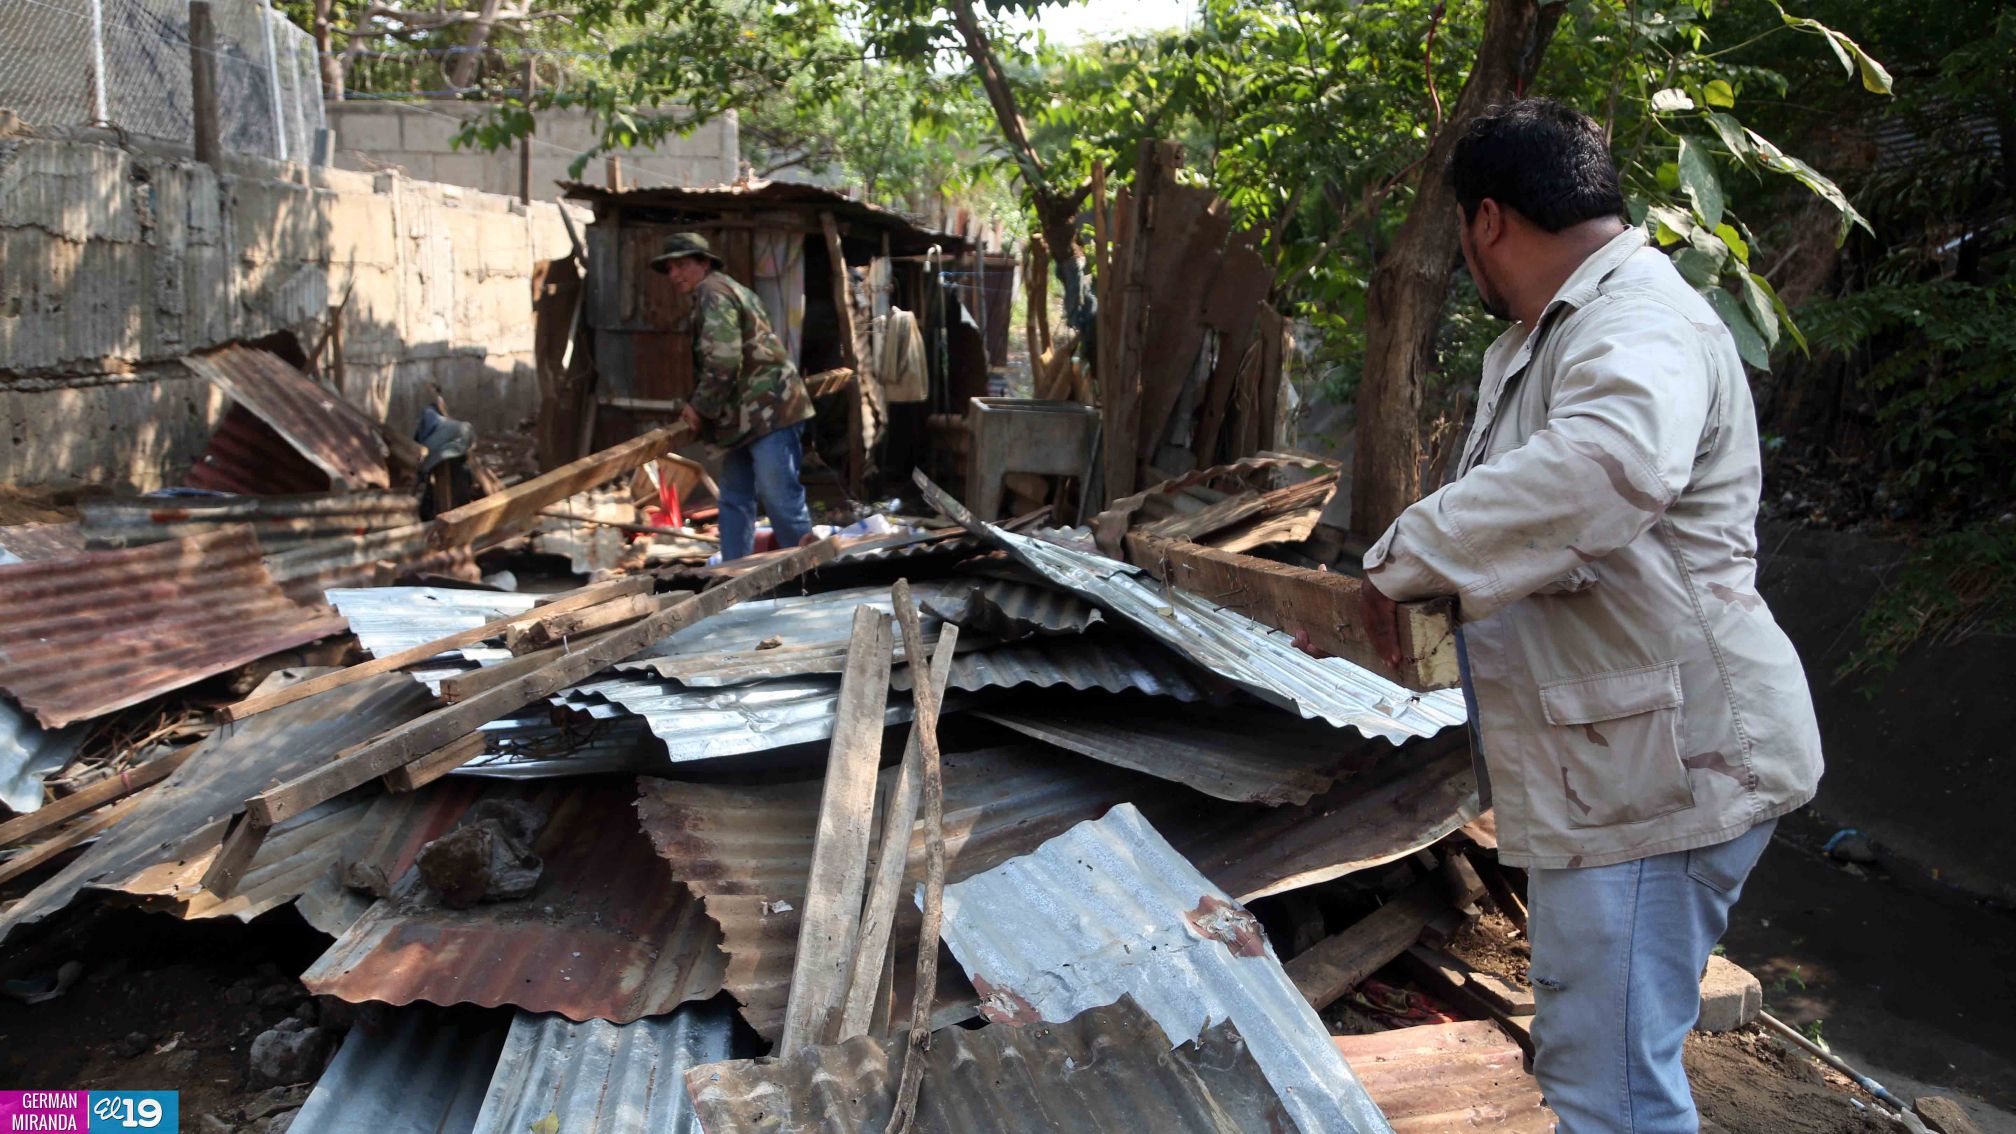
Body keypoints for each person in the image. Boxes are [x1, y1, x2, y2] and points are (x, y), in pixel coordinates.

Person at [1359, 100, 1823, 1133]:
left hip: (1668, 775)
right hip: (1625, 764)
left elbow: (1606, 468)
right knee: (1604, 1071)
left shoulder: (1636, 322)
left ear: (1488, 222)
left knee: (1609, 1091)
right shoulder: (1556, 332)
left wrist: (1397, 564)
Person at [651, 232, 816, 561]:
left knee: (778, 497)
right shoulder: (718, 292)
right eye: (669, 269)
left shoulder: (714, 293)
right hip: (743, 419)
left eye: (681, 265)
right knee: (735, 499)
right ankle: (733, 578)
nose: (674, 275)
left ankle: (809, 579)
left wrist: (700, 407)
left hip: (770, 412)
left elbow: (724, 360)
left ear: (703, 263)